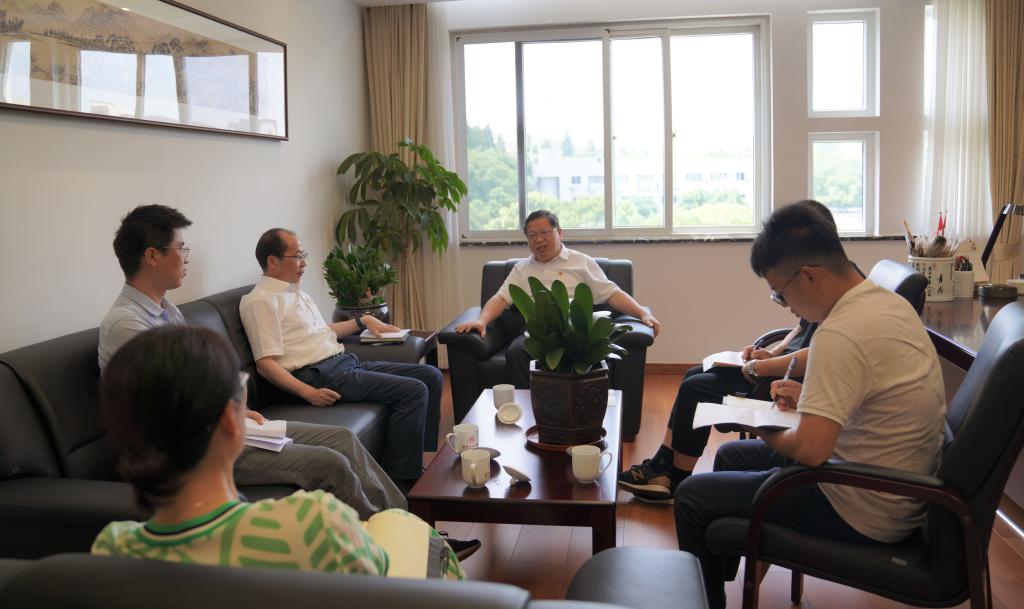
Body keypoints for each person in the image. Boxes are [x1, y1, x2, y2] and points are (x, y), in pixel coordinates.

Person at [673, 202, 946, 609]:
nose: (787, 307)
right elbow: (871, 398)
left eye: (781, 294)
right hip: (890, 483)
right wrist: (808, 399)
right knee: (730, 457)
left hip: (862, 506)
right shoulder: (884, 303)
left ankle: (709, 595)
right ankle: (726, 571)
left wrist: (758, 423)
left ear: (810, 276)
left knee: (692, 498)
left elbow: (811, 450)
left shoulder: (841, 332)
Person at [97, 205, 406, 522]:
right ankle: (386, 534)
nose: (186, 258)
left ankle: (405, 521)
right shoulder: (127, 325)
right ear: (152, 255)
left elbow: (193, 384)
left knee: (341, 438)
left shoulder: (166, 311)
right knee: (331, 463)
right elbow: (167, 405)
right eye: (181, 249)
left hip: (218, 428)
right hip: (191, 451)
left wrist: (236, 411)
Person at [92, 324, 466, 580]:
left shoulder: (111, 548)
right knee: (414, 538)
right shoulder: (312, 522)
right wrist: (402, 528)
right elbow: (388, 587)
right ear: (230, 419)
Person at [618, 200, 837, 503]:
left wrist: (759, 368)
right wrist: (773, 352)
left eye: (782, 294)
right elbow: (801, 330)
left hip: (784, 381)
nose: (788, 305)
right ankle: (663, 464)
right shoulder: (827, 287)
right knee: (694, 374)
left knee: (697, 389)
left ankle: (675, 479)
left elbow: (816, 356)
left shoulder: (838, 304)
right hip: (780, 369)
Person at [239, 228, 442, 493]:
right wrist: (309, 392)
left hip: (342, 363)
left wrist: (363, 320)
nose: (304, 263)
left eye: (304, 256)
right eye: (297, 256)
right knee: (413, 390)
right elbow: (266, 364)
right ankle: (402, 481)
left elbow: (321, 331)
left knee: (431, 376)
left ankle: (418, 462)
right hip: (316, 375)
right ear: (272, 261)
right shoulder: (260, 301)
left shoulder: (296, 293)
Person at [454, 209, 660, 388]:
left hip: (575, 333)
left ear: (559, 232)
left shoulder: (581, 262)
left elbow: (612, 293)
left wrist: (642, 313)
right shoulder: (521, 269)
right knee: (516, 352)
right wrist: (481, 321)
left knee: (582, 354)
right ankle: (529, 409)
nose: (538, 240)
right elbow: (500, 298)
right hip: (537, 334)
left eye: (544, 232)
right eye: (532, 235)